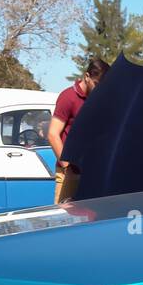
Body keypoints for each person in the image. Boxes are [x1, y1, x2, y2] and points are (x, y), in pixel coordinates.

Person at [49, 57, 110, 202]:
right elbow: (53, 134)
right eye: (96, 84)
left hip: (91, 174)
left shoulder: (99, 101)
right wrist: (67, 167)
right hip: (68, 175)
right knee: (64, 219)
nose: (99, 89)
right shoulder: (68, 97)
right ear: (87, 76)